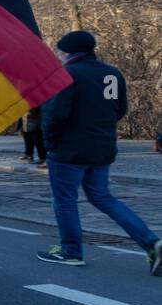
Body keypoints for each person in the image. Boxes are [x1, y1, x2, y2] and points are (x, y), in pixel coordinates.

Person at [36, 31, 162, 274]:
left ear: (68, 52)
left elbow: (55, 115)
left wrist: (50, 143)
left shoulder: (67, 74)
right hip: (102, 149)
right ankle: (151, 242)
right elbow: (119, 109)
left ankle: (71, 251)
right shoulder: (112, 74)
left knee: (64, 201)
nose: (58, 55)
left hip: (69, 150)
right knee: (103, 197)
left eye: (60, 51)